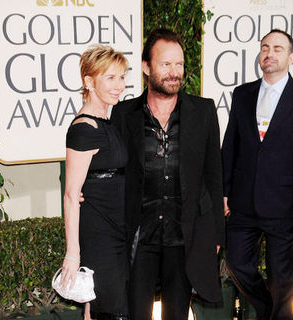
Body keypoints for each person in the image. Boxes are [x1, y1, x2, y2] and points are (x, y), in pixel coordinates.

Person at [111, 28, 224, 320]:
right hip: (140, 236)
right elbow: (114, 173)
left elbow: (214, 174)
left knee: (177, 314)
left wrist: (214, 235)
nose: (174, 72)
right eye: (165, 64)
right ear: (147, 68)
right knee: (137, 313)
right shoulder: (124, 115)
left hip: (184, 236)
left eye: (179, 64)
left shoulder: (204, 111)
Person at [222, 29, 293, 320]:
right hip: (243, 202)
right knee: (237, 263)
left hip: (284, 204)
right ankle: (267, 310)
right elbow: (230, 146)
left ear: (290, 56)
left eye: (278, 47)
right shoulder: (242, 94)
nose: (270, 52)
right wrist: (224, 191)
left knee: (283, 278)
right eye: (265, 47)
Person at [60, 44, 129, 320]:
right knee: (113, 311)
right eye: (110, 78)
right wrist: (73, 254)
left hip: (118, 229)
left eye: (122, 77)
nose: (119, 85)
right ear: (89, 82)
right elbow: (70, 195)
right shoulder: (83, 130)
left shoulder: (107, 121)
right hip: (100, 235)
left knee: (98, 307)